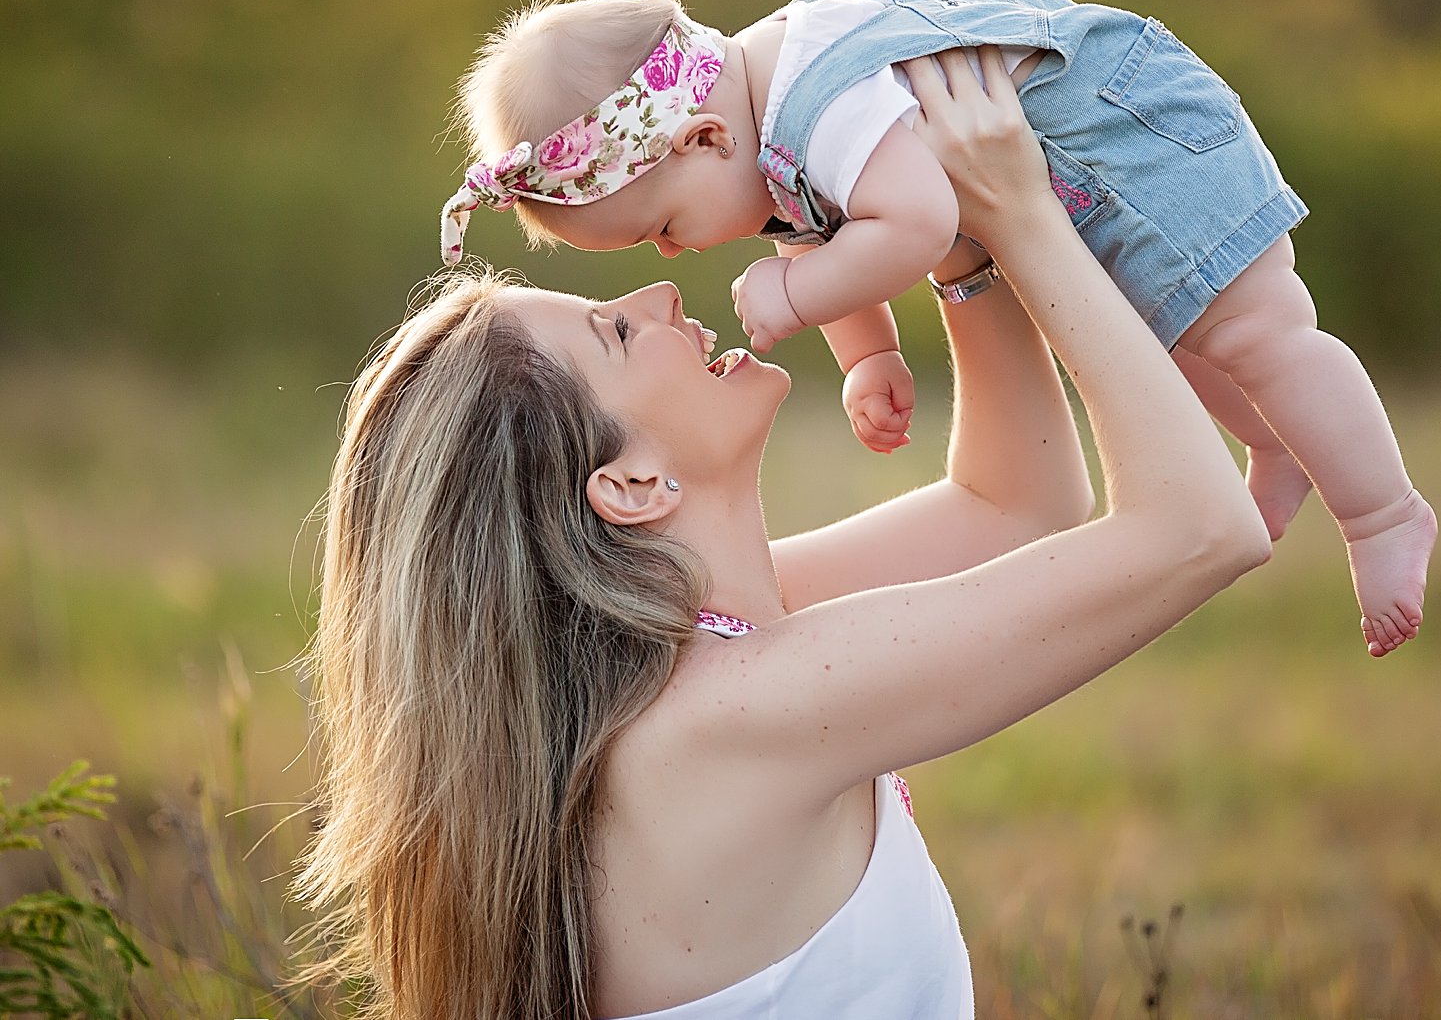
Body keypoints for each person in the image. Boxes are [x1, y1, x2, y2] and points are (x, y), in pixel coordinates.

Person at [301, 51, 1268, 1019]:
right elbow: (1197, 529)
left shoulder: (680, 652)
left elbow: (1014, 511)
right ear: (630, 484)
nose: (663, 298)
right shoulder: (725, 716)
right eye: (619, 334)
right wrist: (1022, 213)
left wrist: (956, 245)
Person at [442, 0, 1432, 658]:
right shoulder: (775, 140)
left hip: (1132, 140)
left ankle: (1382, 514)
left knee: (1261, 331)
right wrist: (866, 352)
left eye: (663, 227)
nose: (671, 258)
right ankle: (1274, 443)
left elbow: (910, 224)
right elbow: (832, 226)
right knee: (1178, 341)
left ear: (701, 138)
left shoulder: (814, 95)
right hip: (1073, 182)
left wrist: (799, 290)